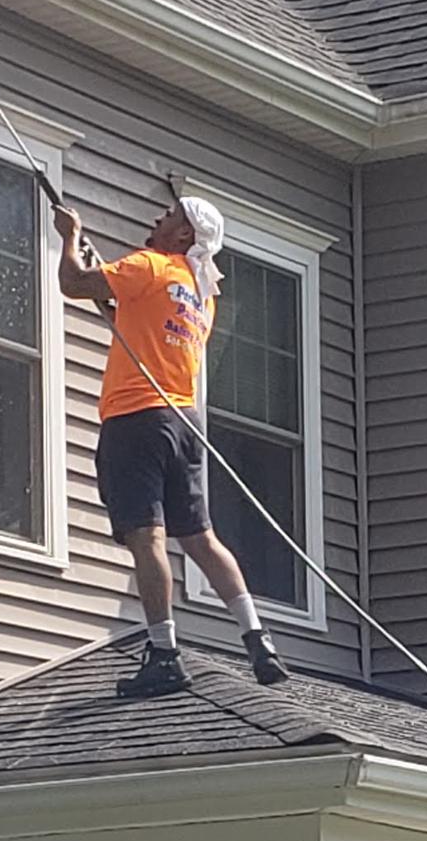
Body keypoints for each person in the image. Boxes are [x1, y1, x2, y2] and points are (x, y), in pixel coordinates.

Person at [53, 190, 290, 700]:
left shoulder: (150, 265)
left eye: (170, 215)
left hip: (136, 418)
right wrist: (110, 290)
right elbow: (137, 322)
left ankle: (164, 654)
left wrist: (70, 238)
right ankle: (258, 638)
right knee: (201, 537)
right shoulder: (201, 293)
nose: (158, 218)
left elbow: (72, 283)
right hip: (184, 422)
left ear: (184, 234)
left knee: (148, 538)